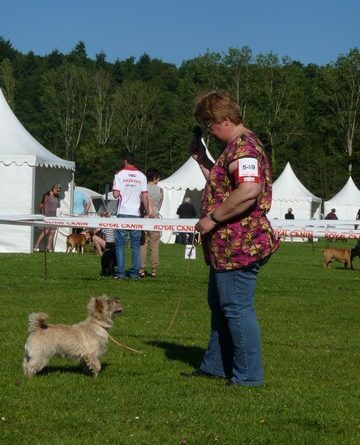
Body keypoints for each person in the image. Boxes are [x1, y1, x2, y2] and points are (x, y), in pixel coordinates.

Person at [182, 90, 279, 386]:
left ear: (224, 119)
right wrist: (202, 160)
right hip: (228, 247)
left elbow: (248, 191)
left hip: (239, 245)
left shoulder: (244, 148)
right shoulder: (236, 148)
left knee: (236, 307)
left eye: (209, 125)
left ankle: (248, 376)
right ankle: (215, 366)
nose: (209, 132)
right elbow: (226, 184)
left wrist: (211, 219)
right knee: (221, 303)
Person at [112, 152, 149, 280]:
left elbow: (116, 195)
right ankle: (134, 273)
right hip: (136, 214)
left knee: (120, 244)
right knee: (135, 245)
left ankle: (121, 273)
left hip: (122, 212)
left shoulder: (119, 175)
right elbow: (145, 196)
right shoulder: (142, 176)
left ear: (125, 161)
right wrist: (148, 213)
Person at [140, 168, 164, 278]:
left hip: (144, 218)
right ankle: (154, 269)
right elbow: (160, 205)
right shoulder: (160, 190)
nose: (159, 180)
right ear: (154, 178)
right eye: (158, 178)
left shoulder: (142, 188)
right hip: (155, 218)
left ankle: (142, 268)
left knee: (142, 245)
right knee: (154, 246)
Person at [33, 184, 62, 252]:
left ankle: (48, 248)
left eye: (59, 191)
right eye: (57, 190)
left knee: (53, 232)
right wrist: (43, 213)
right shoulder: (48, 194)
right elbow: (41, 205)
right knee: (45, 231)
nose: (58, 192)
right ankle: (36, 246)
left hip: (54, 216)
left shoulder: (57, 197)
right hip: (47, 216)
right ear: (54, 188)